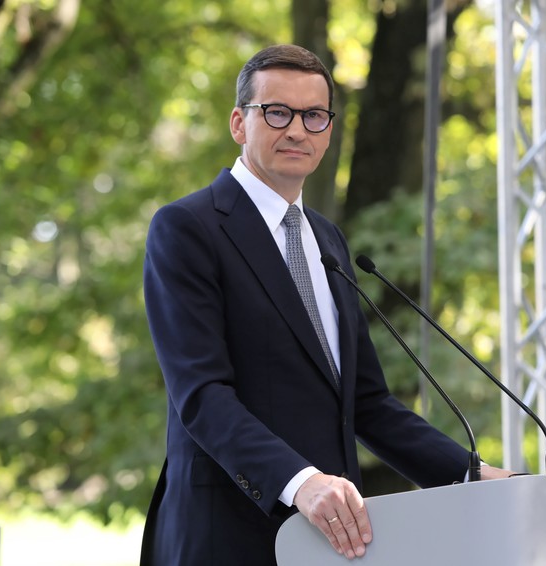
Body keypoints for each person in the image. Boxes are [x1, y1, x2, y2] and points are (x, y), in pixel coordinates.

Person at [140, 44, 514, 566]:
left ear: (329, 130)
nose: (298, 130)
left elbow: (367, 404)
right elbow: (202, 395)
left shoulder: (327, 239)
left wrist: (470, 474)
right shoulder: (188, 228)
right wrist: (302, 482)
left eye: (314, 116)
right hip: (224, 536)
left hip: (329, 542)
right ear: (239, 123)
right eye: (277, 112)